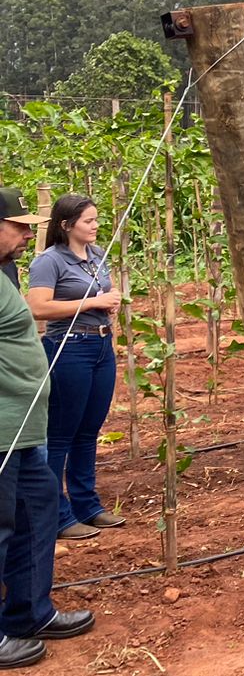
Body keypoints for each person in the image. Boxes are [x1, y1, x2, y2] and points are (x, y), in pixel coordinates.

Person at [0, 187, 95, 667]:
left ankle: (28, 613)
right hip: (1, 430)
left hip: (25, 427)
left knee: (36, 515)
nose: (25, 232)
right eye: (16, 225)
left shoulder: (5, 271)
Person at [25, 195, 123, 541]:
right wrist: (93, 302)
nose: (95, 226)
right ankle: (58, 516)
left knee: (88, 430)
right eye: (88, 221)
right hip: (69, 348)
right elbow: (37, 308)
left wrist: (111, 303)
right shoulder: (49, 261)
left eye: (97, 220)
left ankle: (88, 506)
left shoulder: (97, 256)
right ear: (66, 225)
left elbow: (103, 292)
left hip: (100, 346)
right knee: (61, 434)